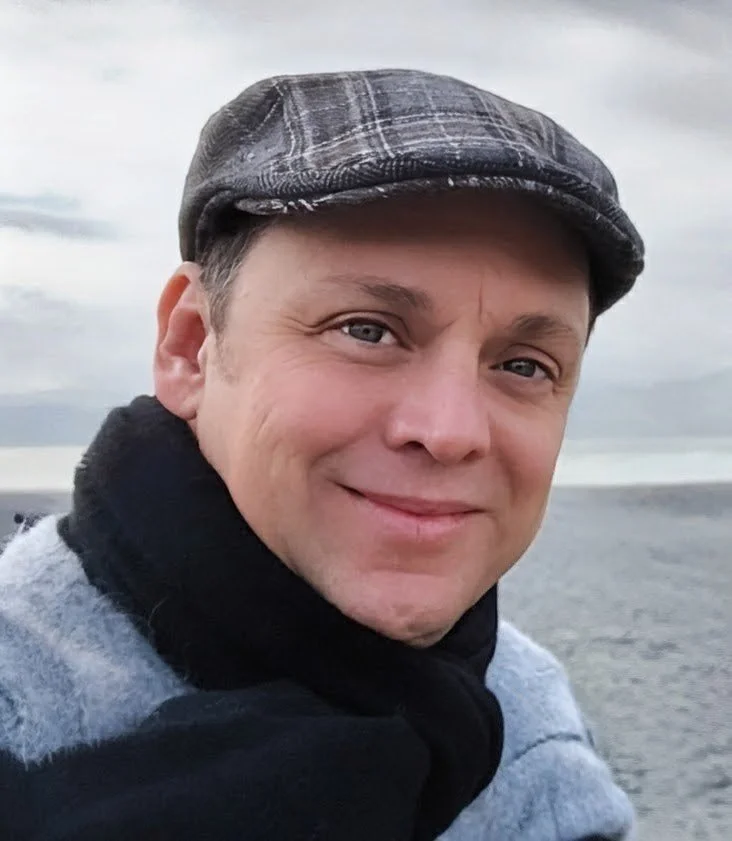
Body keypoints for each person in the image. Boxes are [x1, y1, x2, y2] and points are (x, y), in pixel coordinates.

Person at [0, 68, 643, 840]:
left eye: (523, 365)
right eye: (366, 329)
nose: (449, 431)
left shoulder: (532, 723)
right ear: (192, 345)